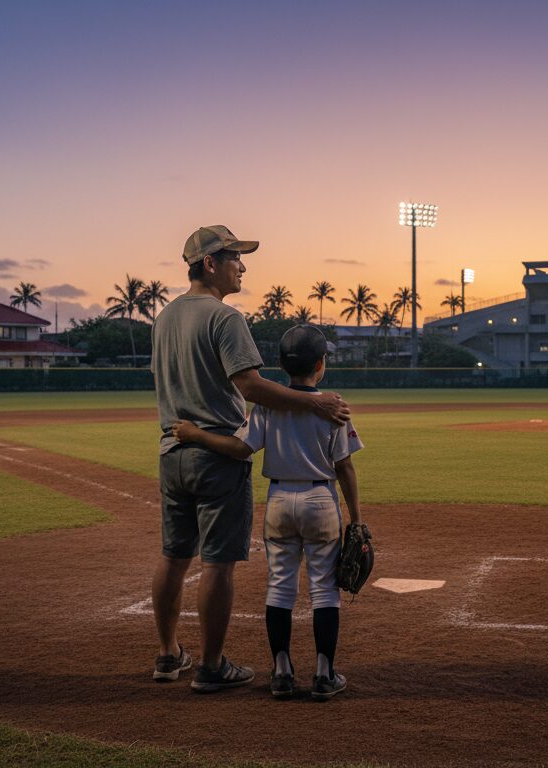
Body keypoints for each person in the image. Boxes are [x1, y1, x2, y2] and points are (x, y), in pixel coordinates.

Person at [151, 225, 350, 694]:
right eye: (235, 258)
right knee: (217, 563)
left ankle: (167, 655)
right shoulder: (224, 318)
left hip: (171, 451)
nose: (243, 266)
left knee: (174, 556)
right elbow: (252, 387)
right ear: (210, 264)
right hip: (217, 454)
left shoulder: (163, 318)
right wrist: (314, 402)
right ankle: (212, 665)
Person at [173, 323, 363, 700]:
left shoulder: (267, 405)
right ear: (321, 364)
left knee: (280, 585)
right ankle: (324, 675)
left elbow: (240, 449)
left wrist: (196, 436)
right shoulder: (333, 406)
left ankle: (281, 672)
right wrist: (357, 519)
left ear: (280, 364)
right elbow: (344, 467)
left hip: (278, 501)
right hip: (320, 500)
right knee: (325, 589)